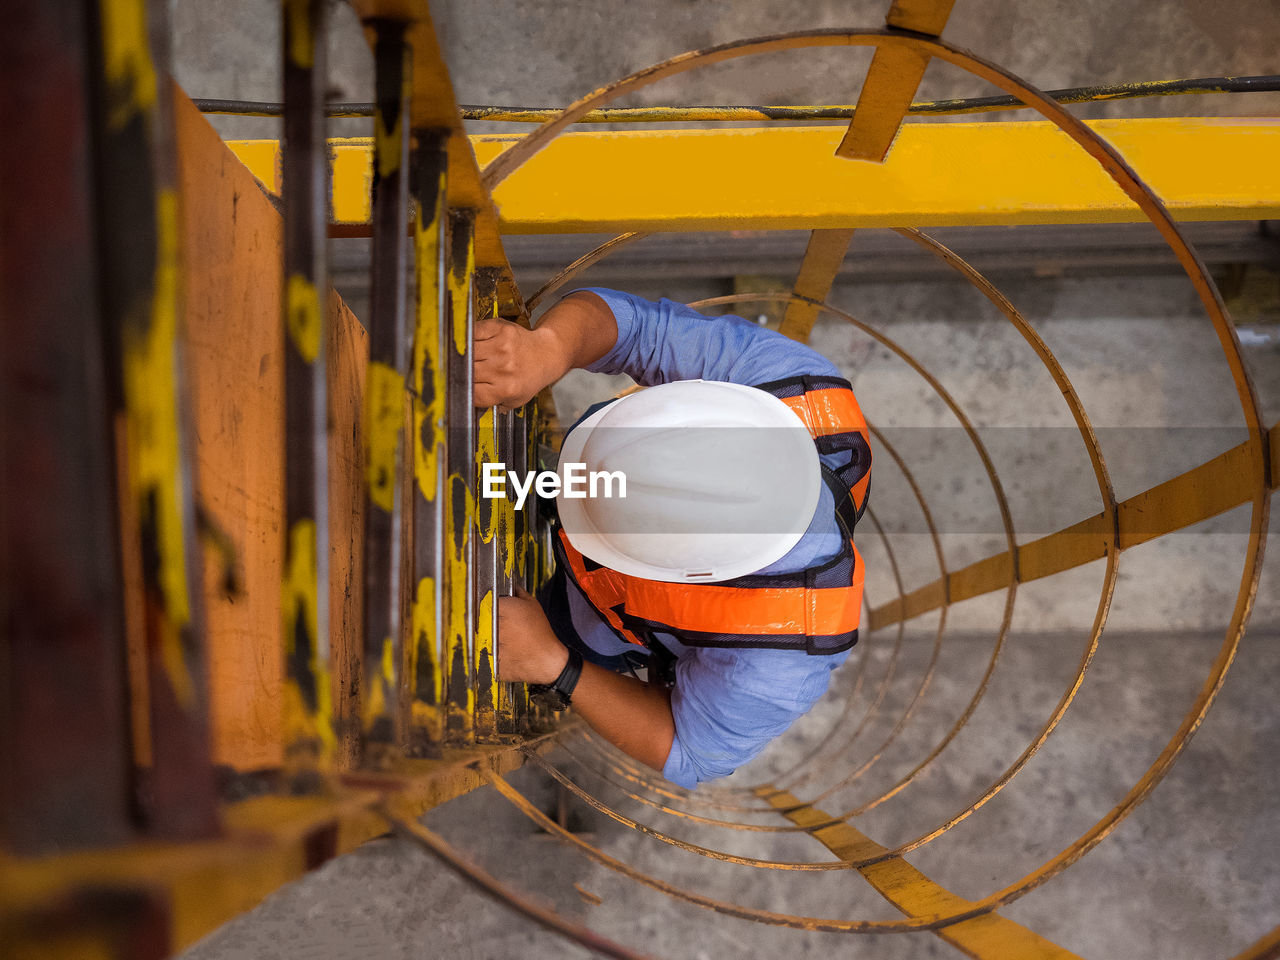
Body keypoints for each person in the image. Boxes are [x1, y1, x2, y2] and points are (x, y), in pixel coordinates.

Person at [474, 288, 871, 788]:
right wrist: (548, 348)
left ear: (691, 572)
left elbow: (689, 749)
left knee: (486, 649)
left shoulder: (781, 658)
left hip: (594, 620)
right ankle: (541, 490)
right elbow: (639, 327)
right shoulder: (792, 386)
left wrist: (556, 664)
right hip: (600, 486)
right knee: (515, 480)